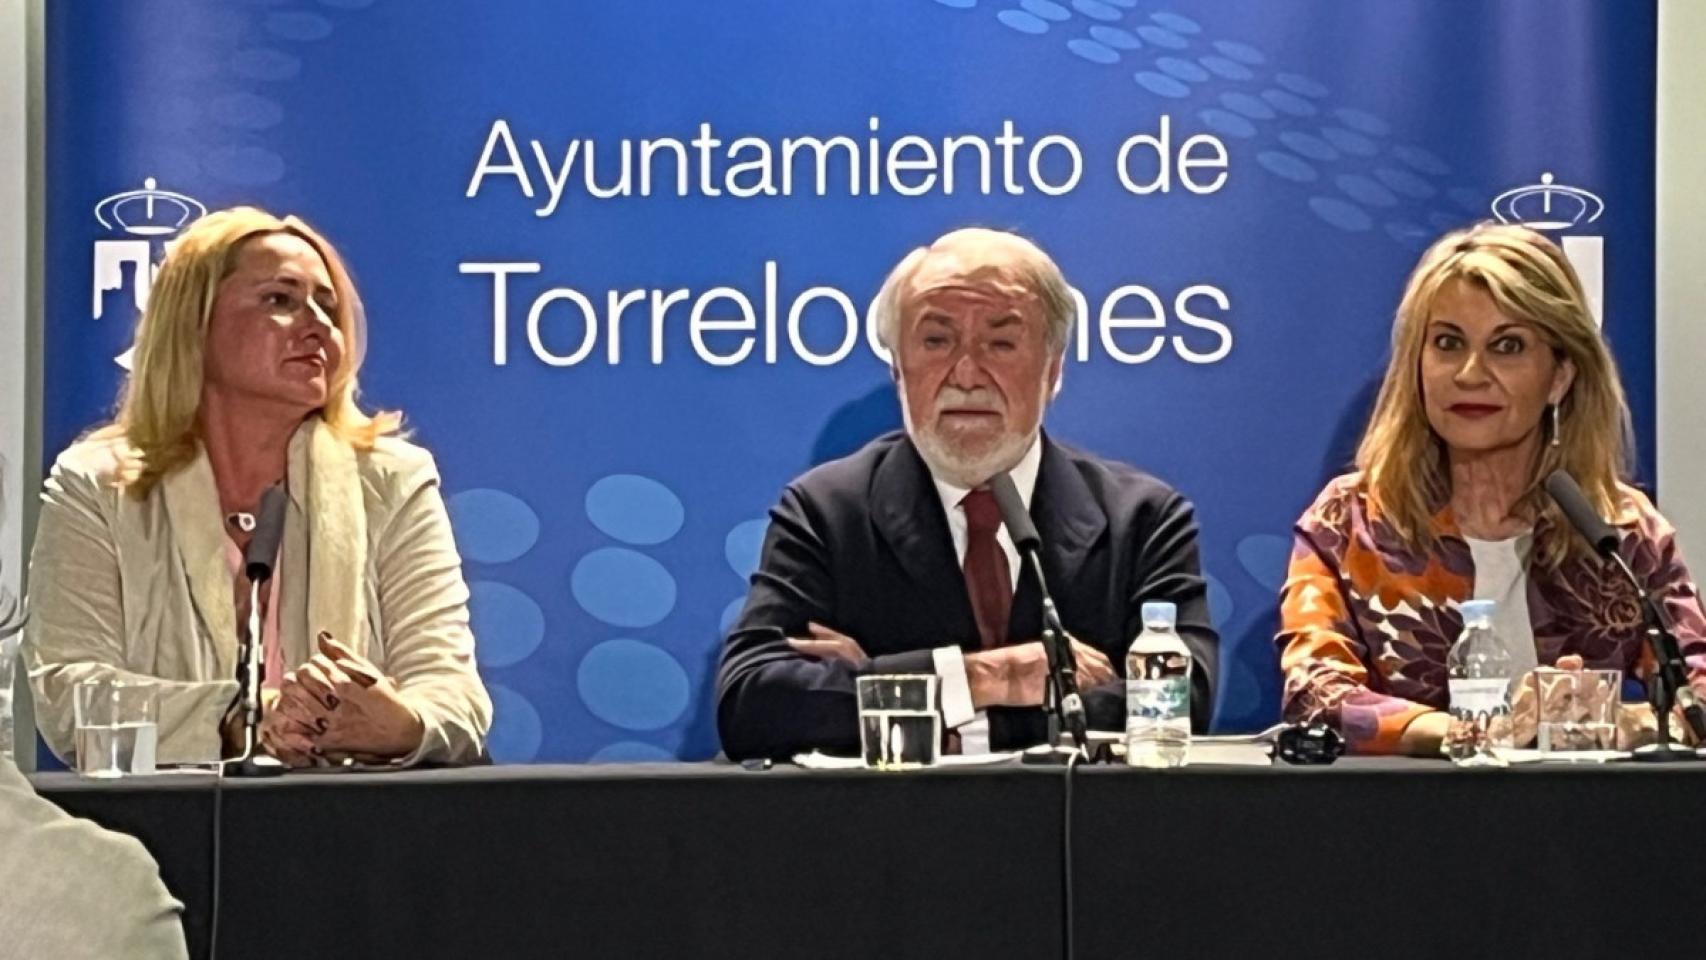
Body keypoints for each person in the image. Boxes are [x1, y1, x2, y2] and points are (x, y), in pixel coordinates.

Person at [717, 227, 1217, 760]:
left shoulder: (1143, 518)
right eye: (937, 341)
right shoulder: (826, 510)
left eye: (1001, 343)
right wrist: (991, 676)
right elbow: (754, 703)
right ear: (898, 369)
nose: (967, 374)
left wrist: (887, 690)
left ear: (1052, 370)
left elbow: (1178, 705)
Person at [25, 206, 492, 767]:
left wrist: (401, 724)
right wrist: (240, 717)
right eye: (281, 299)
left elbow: (453, 695)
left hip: (357, 814)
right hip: (166, 818)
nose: (318, 326)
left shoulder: (393, 481)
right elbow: (70, 692)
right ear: (193, 323)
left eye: (328, 307)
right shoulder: (97, 485)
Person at [1276, 223, 1706, 755]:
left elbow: (1696, 690)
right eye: (1448, 343)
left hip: (1588, 809)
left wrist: (1624, 720)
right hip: (1405, 806)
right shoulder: (1350, 522)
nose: (1470, 373)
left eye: (1507, 346)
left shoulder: (1619, 529)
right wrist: (1472, 736)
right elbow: (1315, 694)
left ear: (1559, 377)